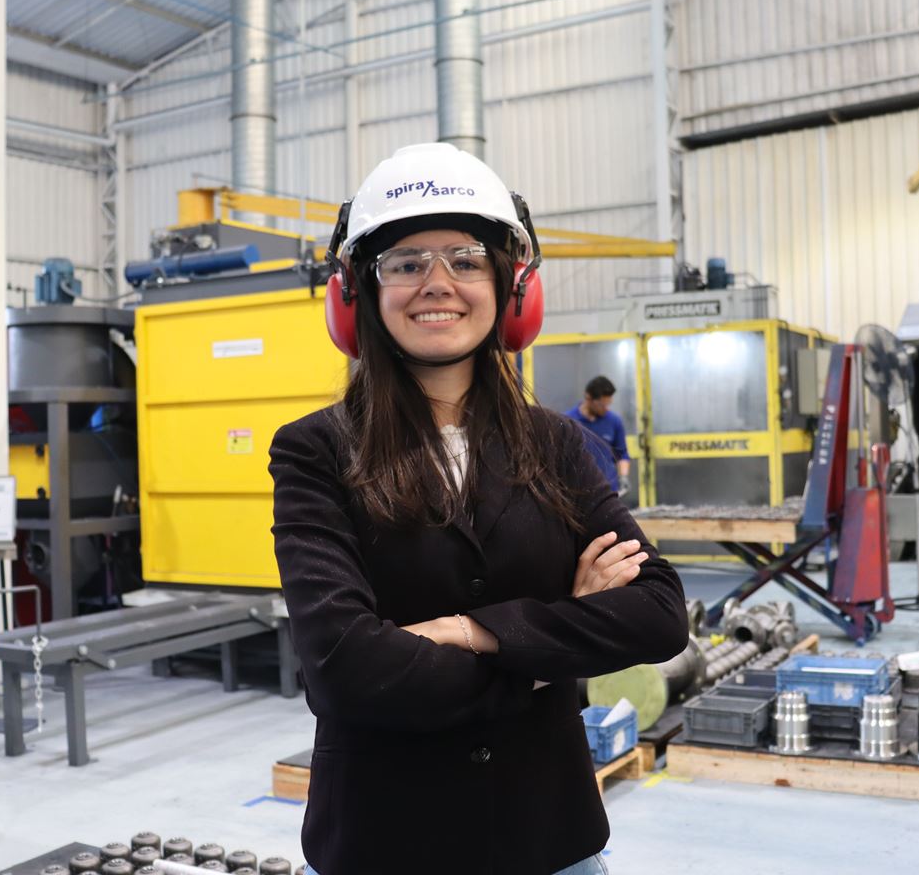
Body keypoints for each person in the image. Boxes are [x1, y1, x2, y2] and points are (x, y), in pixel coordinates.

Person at [268, 142, 689, 875]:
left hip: (549, 839)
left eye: (465, 259)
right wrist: (554, 644)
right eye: (405, 263)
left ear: (510, 288)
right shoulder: (315, 451)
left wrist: (469, 632)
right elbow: (344, 672)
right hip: (384, 842)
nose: (438, 283)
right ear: (357, 294)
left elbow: (658, 614)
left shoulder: (555, 442)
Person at [565, 376, 632, 497]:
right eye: (602, 405)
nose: (606, 408)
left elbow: (622, 454)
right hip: (577, 492)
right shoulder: (568, 422)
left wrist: (623, 477)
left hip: (608, 491)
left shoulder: (614, 421)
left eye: (608, 404)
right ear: (588, 398)